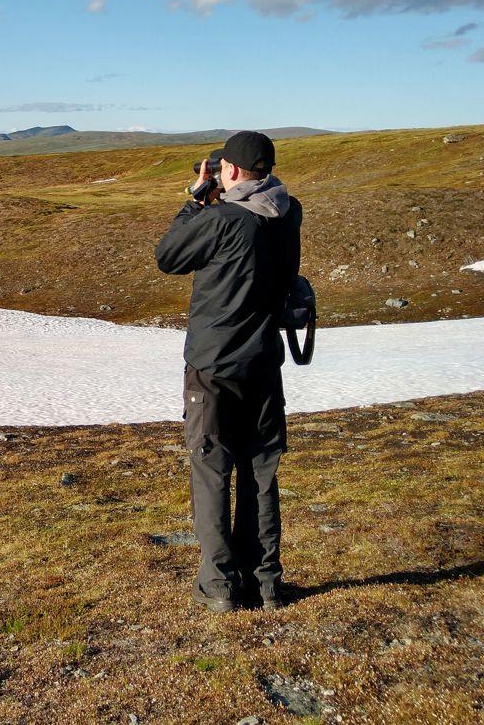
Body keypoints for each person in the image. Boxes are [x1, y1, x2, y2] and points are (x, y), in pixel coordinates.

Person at [154, 130, 302, 614]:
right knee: (260, 471)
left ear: (231, 171)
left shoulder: (221, 219)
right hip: (263, 361)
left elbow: (169, 255)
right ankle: (265, 584)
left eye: (220, 170)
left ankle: (218, 586)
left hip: (213, 367)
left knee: (212, 469)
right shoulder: (288, 211)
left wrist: (196, 201)